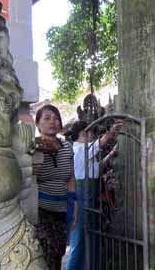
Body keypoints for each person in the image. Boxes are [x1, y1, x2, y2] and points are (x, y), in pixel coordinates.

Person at [65, 120, 122, 270]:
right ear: (83, 133)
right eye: (91, 132)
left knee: (91, 237)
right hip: (81, 198)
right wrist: (112, 131)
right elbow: (101, 143)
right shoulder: (78, 149)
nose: (93, 136)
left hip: (90, 198)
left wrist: (112, 153)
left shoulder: (87, 151)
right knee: (79, 240)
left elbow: (98, 167)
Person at [33, 104, 78, 270]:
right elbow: (30, 177)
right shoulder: (32, 147)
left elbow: (71, 177)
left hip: (62, 209)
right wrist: (36, 156)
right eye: (47, 118)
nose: (53, 121)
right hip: (41, 210)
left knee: (58, 251)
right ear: (38, 124)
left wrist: (74, 202)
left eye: (56, 118)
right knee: (46, 251)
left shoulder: (67, 146)